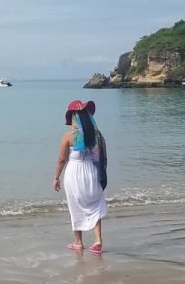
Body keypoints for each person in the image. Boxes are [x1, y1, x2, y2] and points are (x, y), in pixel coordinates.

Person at [52, 100, 107, 254]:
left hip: (74, 173)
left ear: (73, 118)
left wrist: (56, 177)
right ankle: (98, 241)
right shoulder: (99, 136)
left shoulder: (69, 137)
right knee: (95, 206)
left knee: (75, 205)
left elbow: (62, 160)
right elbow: (104, 159)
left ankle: (78, 242)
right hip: (92, 172)